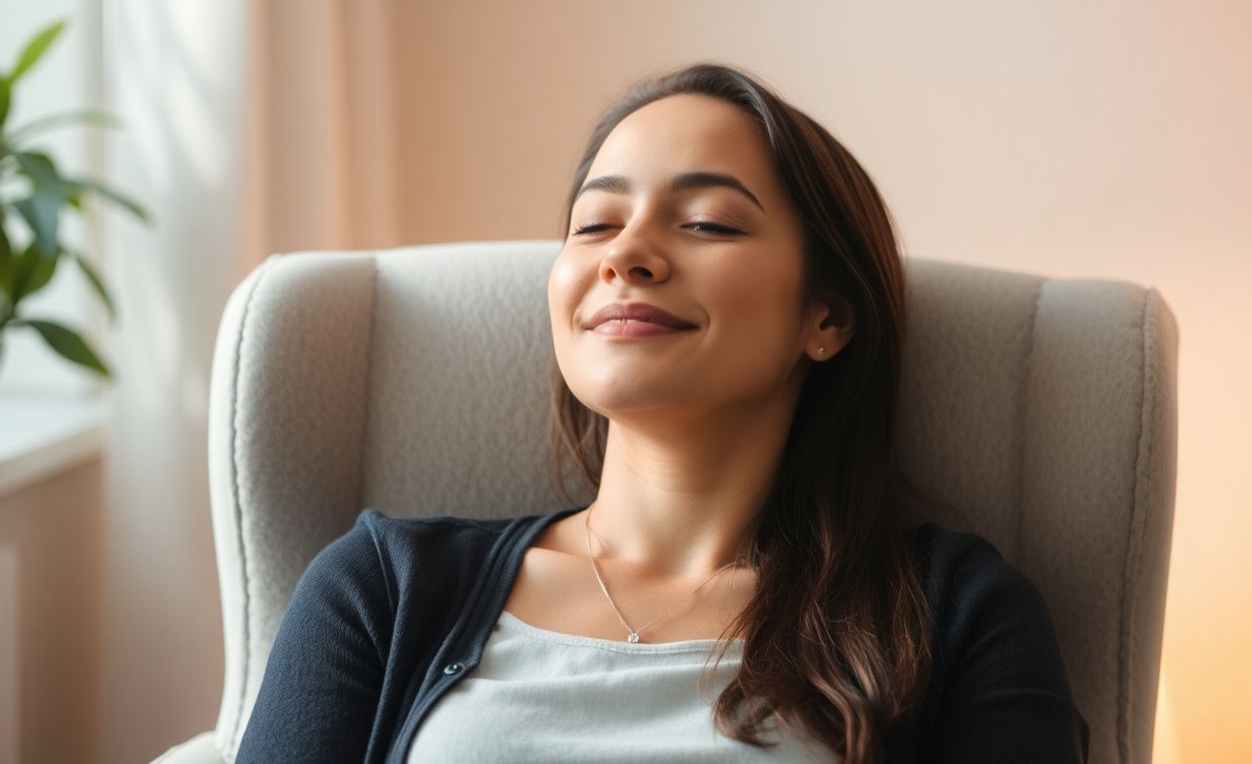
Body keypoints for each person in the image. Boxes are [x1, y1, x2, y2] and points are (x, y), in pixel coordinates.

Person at [236, 62, 1090, 763]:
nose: (627, 256)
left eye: (709, 223)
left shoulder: (955, 613)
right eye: (595, 223)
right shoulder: (381, 587)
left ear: (826, 316)